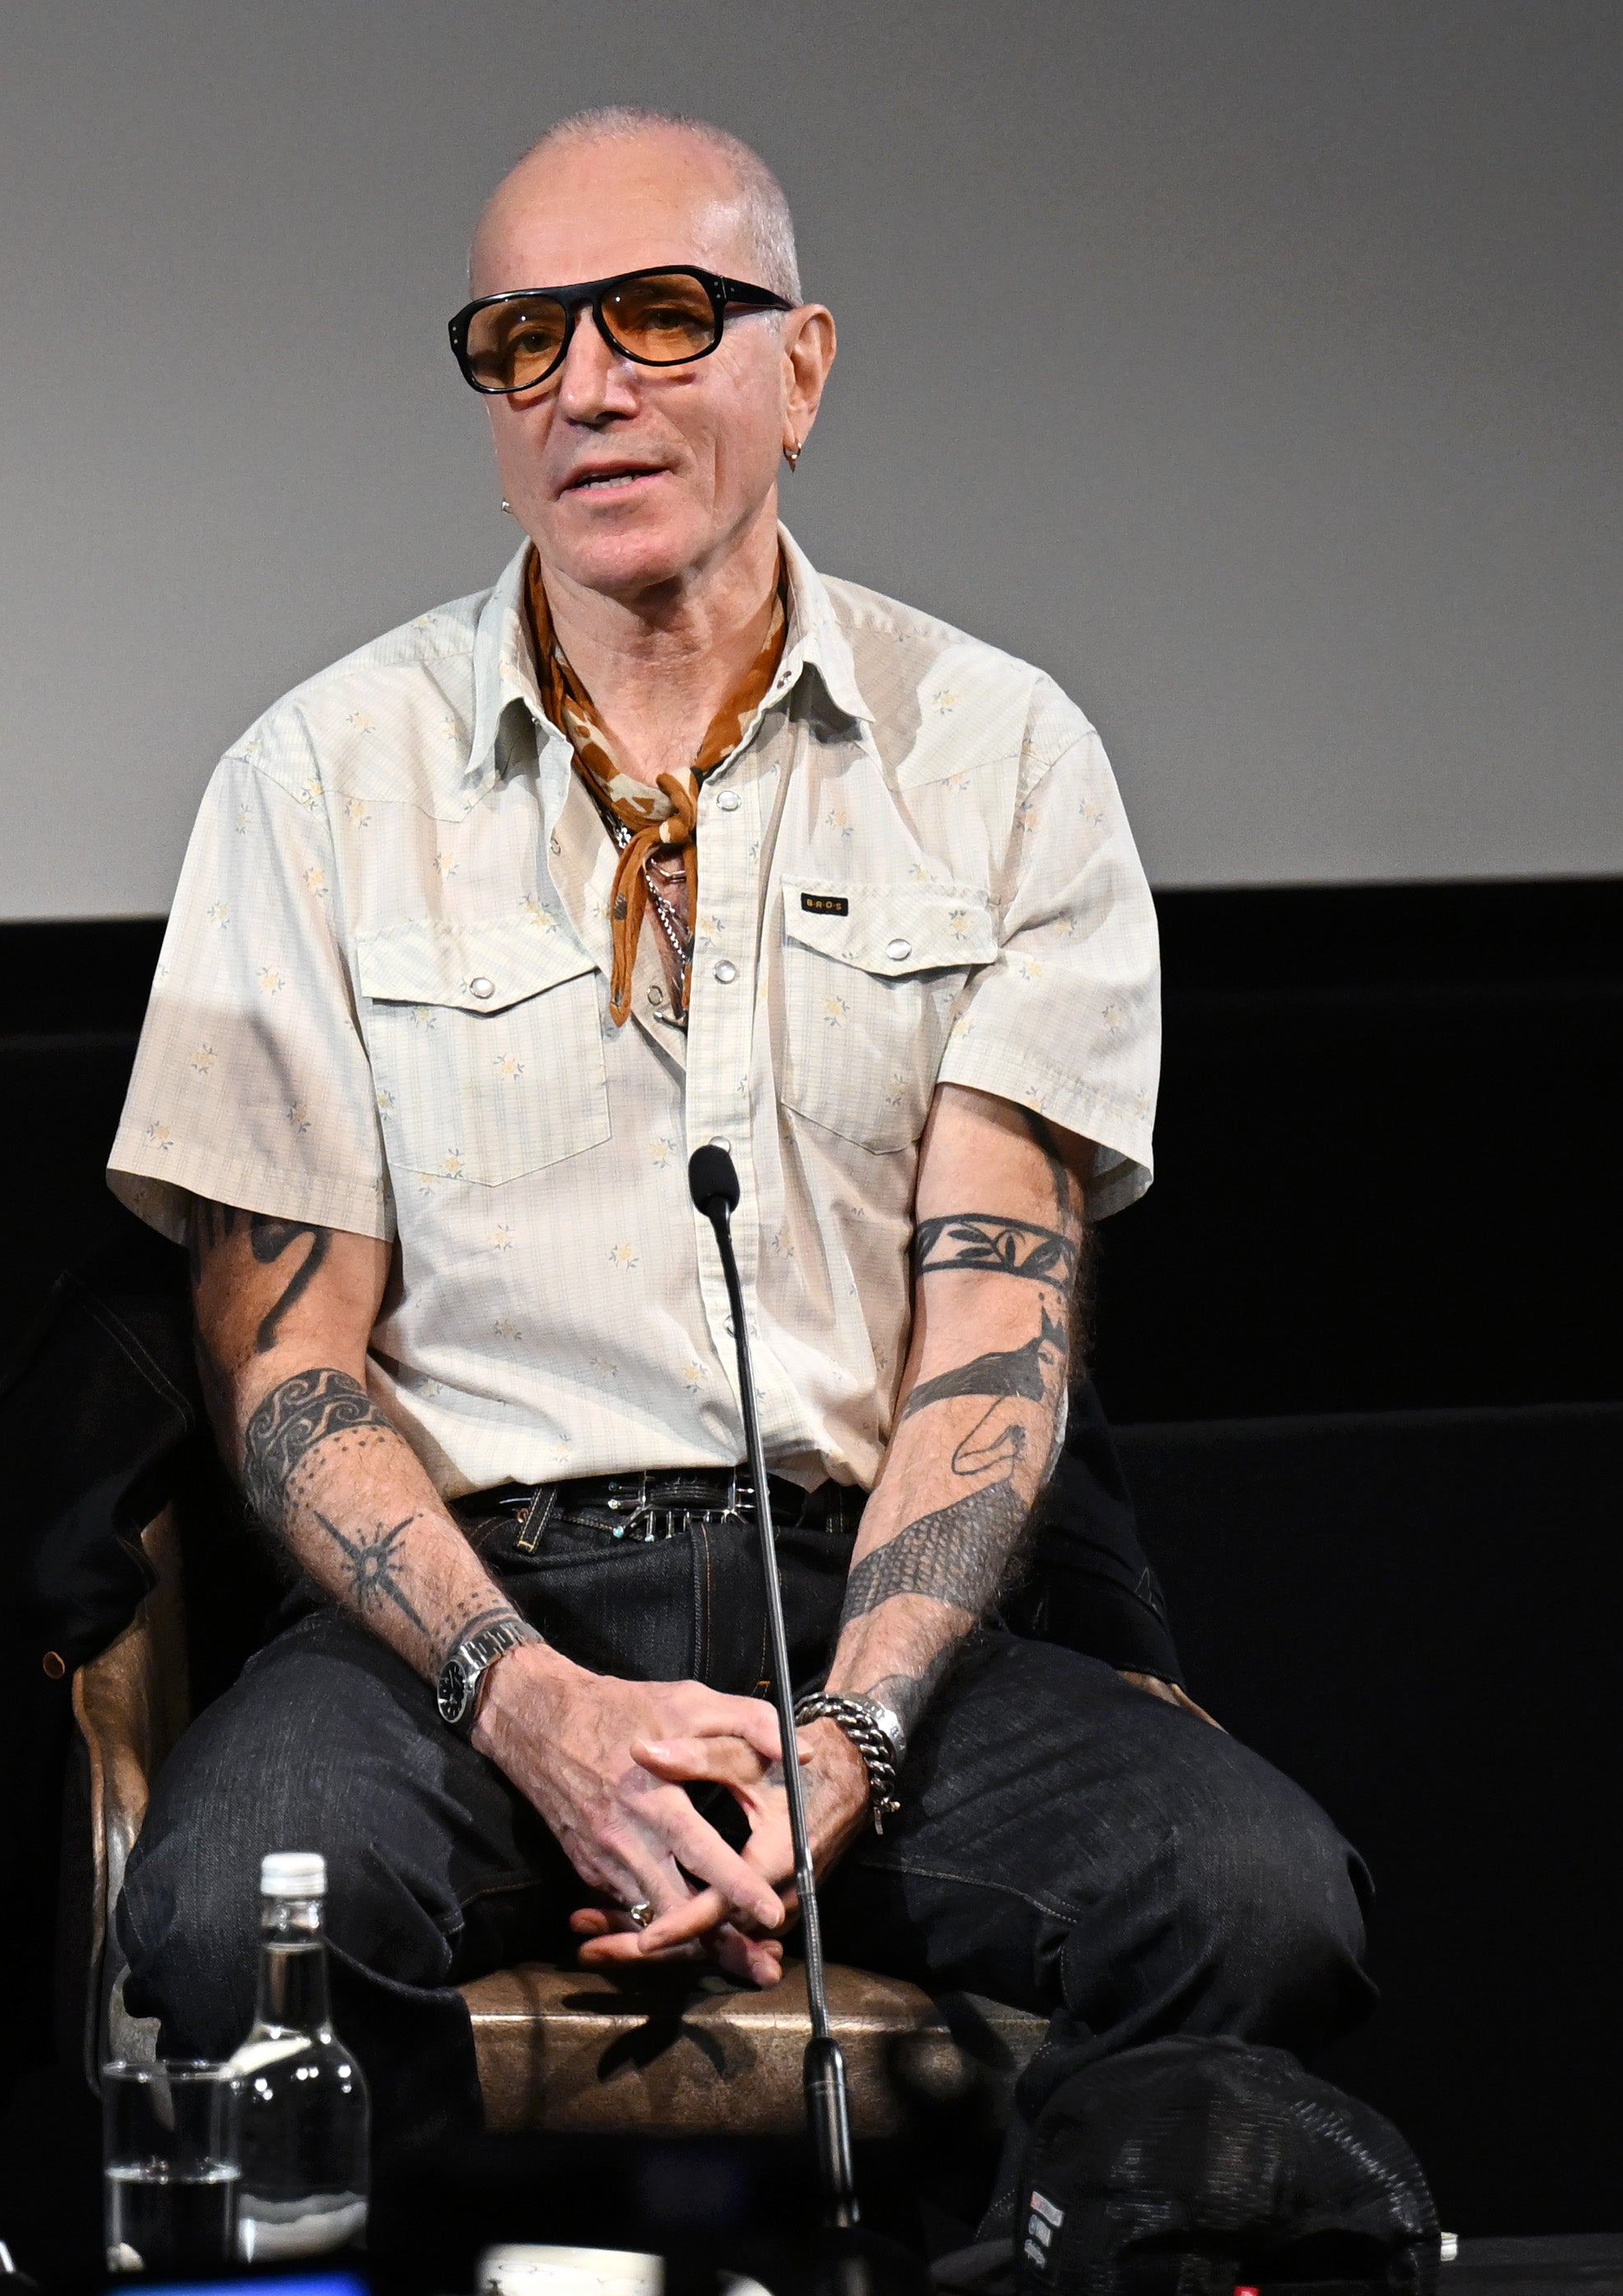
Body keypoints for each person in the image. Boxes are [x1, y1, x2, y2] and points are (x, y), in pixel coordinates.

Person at [101, 111, 1371, 2177]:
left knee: (1256, 1901)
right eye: (522, 342)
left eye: (663, 316)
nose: (587, 386)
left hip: (857, 1598)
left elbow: (997, 1337)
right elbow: (285, 1361)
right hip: (462, 1611)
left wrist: (851, 1740)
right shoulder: (321, 780)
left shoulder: (1002, 757)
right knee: (234, 1908)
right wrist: (533, 1706)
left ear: (804, 366)